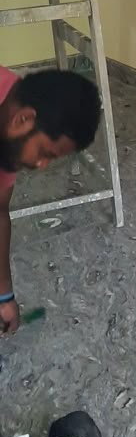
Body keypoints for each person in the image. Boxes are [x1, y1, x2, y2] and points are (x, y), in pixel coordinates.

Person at [0, 66, 101, 334]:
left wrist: (4, 297)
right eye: (45, 153)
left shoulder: (10, 111)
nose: (41, 165)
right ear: (23, 119)